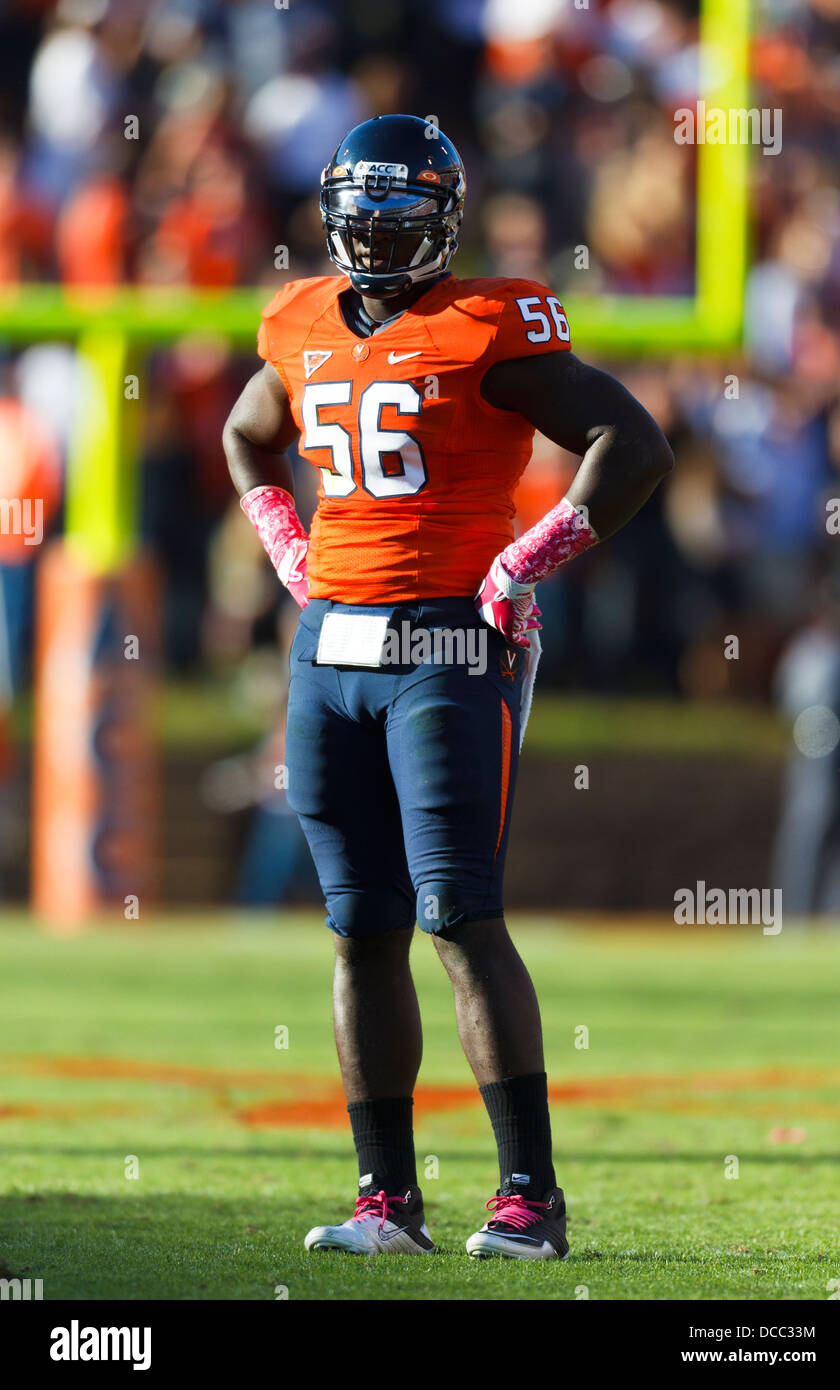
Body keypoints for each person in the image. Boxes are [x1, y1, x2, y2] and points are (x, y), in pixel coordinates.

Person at [223, 114, 672, 1260]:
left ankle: (528, 1199)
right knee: (358, 926)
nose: (372, 236)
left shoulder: (489, 321)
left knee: (458, 914)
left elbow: (631, 442)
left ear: (442, 221)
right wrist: (284, 539)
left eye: (396, 215)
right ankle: (387, 1201)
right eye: (358, 214)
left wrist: (530, 557)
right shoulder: (297, 317)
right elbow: (246, 433)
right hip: (330, 649)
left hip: (447, 646)